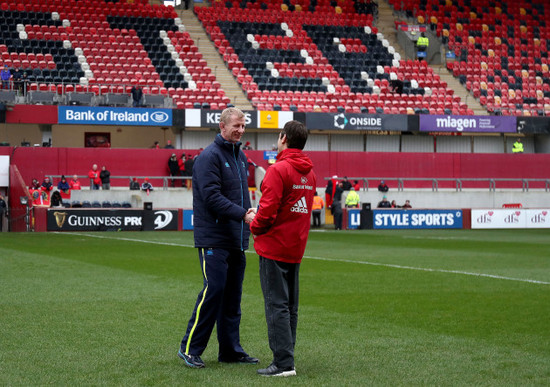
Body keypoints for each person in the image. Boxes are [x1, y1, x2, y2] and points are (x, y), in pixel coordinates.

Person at [178, 107, 258, 369]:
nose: (241, 130)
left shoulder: (240, 156)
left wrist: (248, 214)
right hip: (213, 237)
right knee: (214, 290)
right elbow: (212, 198)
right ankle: (190, 348)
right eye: (236, 125)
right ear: (222, 127)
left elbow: (242, 195)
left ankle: (230, 350)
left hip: (236, 237)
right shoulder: (208, 157)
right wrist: (243, 214)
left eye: (243, 126)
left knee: (233, 296)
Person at [250, 120, 315, 377]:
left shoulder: (278, 170)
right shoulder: (310, 172)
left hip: (274, 247)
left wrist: (253, 223)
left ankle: (283, 363)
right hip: (295, 246)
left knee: (276, 304)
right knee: (290, 307)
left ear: (283, 138)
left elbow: (266, 213)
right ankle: (287, 355)